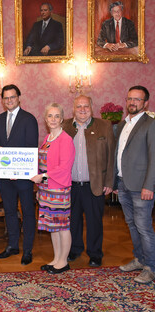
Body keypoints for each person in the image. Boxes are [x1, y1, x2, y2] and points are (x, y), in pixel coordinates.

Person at [63, 95, 115, 267]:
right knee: (73, 221)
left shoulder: (104, 126)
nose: (83, 109)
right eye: (79, 106)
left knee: (94, 222)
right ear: (73, 109)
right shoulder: (65, 126)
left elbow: (111, 157)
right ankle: (75, 250)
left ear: (92, 107)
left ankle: (95, 253)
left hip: (95, 184)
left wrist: (109, 181)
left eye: (86, 106)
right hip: (71, 185)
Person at [0, 85, 38, 265]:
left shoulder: (29, 119)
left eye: (12, 97)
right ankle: (12, 245)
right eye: (6, 98)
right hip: (4, 177)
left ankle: (27, 249)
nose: (9, 100)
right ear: (2, 100)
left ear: (19, 97)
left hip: (25, 177)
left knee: (27, 212)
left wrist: (15, 169)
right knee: (9, 211)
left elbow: (31, 148)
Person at [114, 85, 155, 284]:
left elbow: (154, 157)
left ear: (145, 103)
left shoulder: (150, 124)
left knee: (144, 227)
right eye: (130, 98)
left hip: (142, 187)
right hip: (123, 184)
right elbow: (118, 155)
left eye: (137, 99)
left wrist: (150, 185)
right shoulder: (122, 124)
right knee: (132, 225)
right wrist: (115, 180)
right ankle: (139, 259)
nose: (132, 102)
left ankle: (151, 267)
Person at [31, 103, 75, 274]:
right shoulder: (47, 138)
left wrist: (42, 177)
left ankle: (63, 261)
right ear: (45, 118)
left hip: (59, 189)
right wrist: (39, 185)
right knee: (52, 226)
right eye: (50, 116)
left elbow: (64, 167)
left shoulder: (66, 139)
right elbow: (41, 164)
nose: (53, 119)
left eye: (57, 116)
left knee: (62, 226)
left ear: (62, 119)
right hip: (46, 189)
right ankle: (56, 258)